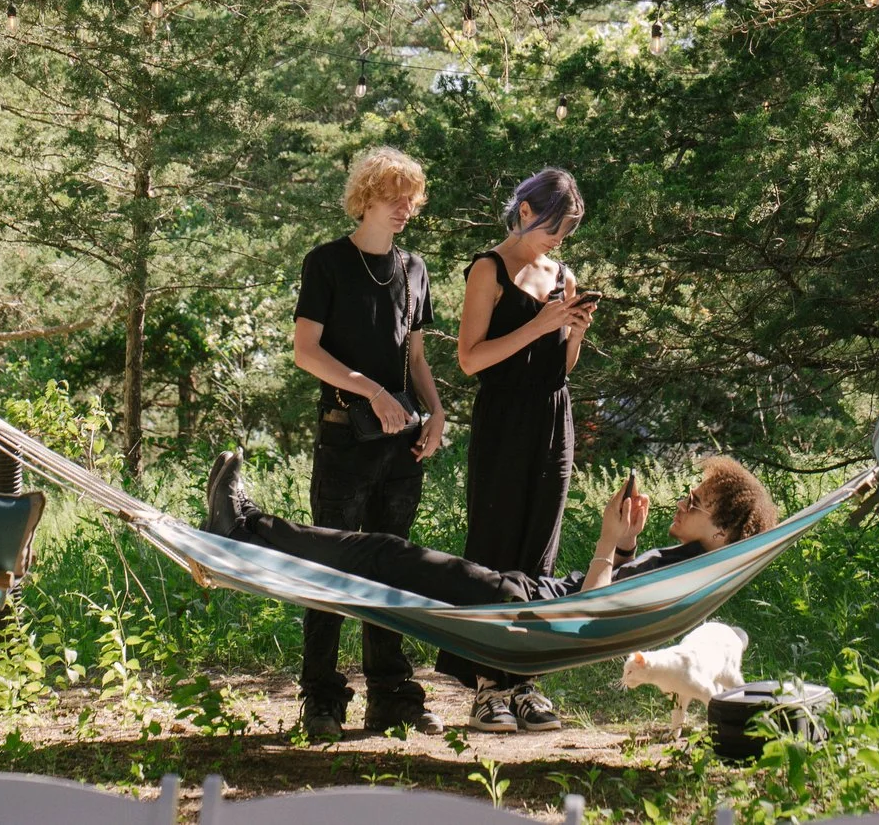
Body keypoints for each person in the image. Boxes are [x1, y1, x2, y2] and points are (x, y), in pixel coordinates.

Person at [287, 146, 447, 739]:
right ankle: (322, 701)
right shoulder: (326, 262)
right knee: (328, 569)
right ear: (366, 198)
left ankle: (392, 698)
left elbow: (417, 356)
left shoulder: (415, 269)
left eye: (412, 197)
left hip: (402, 447)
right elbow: (306, 352)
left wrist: (435, 412)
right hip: (343, 442)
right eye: (393, 196)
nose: (406, 207)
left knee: (393, 570)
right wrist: (370, 391)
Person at [203, 448, 779, 607]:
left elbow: (590, 612)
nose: (683, 501)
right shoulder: (688, 568)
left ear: (724, 531)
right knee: (379, 555)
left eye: (696, 501)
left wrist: (608, 540)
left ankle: (247, 526)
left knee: (379, 552)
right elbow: (608, 595)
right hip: (525, 593)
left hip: (520, 603)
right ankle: (248, 531)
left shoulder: (688, 575)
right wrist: (626, 544)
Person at [447, 167, 596, 732]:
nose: (559, 240)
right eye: (554, 226)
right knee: (495, 541)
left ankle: (527, 679)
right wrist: (540, 325)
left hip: (554, 418)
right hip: (504, 418)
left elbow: (561, 366)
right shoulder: (488, 269)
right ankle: (488, 685)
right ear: (526, 211)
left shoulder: (563, 274)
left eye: (570, 230)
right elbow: (470, 359)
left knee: (540, 545)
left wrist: (574, 329)